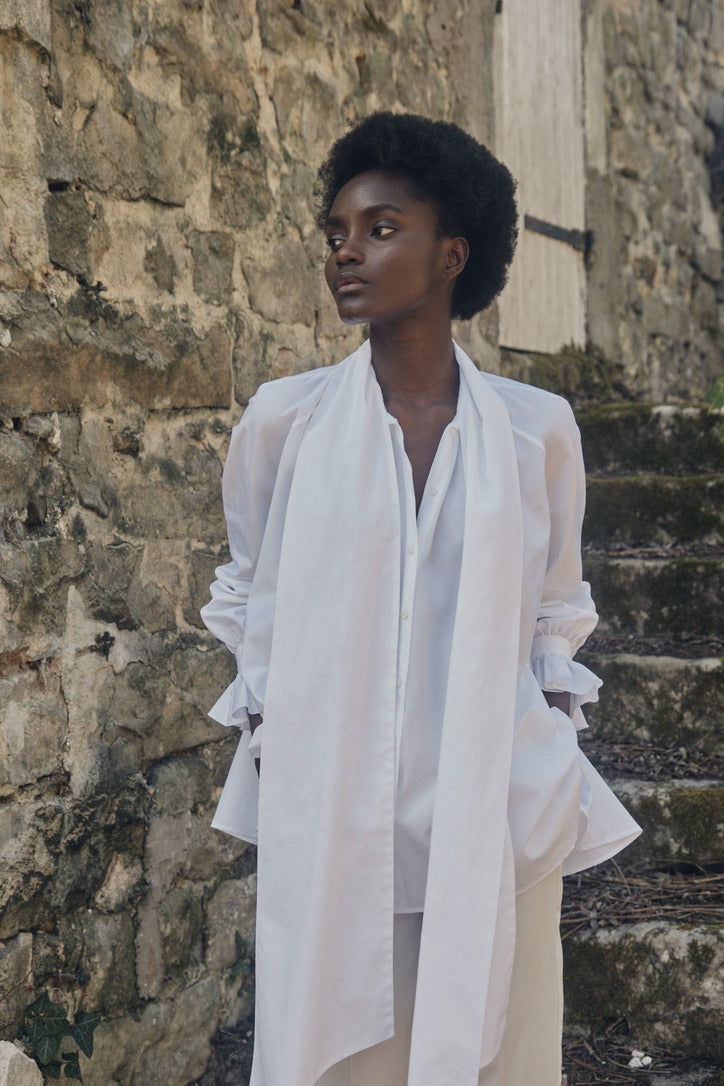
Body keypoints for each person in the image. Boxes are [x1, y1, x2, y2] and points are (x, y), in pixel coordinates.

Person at [201, 112, 640, 1086]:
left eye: (380, 228)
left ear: (452, 254)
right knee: (334, 1057)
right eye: (336, 235)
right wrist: (278, 722)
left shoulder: (536, 431)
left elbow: (556, 612)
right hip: (332, 804)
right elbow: (244, 592)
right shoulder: (287, 421)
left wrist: (549, 736)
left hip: (491, 807)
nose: (345, 254)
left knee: (496, 1052)